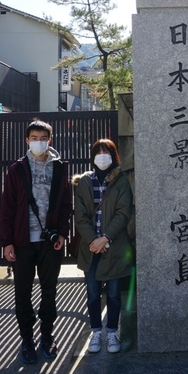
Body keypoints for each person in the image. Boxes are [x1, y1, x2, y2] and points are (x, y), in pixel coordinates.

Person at [0, 119, 72, 364]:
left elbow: (65, 205)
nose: (39, 142)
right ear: (26, 140)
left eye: (43, 138)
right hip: (22, 242)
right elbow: (7, 207)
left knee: (49, 291)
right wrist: (7, 242)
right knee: (22, 293)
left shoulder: (60, 168)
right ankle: (27, 340)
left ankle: (47, 335)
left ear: (49, 140)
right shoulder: (17, 169)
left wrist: (62, 233)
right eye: (34, 138)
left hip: (50, 241)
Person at [73, 138, 133, 354]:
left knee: (115, 294)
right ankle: (96, 332)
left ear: (114, 156)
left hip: (113, 246)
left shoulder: (121, 181)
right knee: (92, 294)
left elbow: (124, 212)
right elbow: (80, 216)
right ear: (92, 157)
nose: (102, 156)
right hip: (91, 249)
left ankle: (112, 331)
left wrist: (105, 237)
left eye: (106, 152)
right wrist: (93, 240)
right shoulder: (84, 182)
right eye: (98, 152)